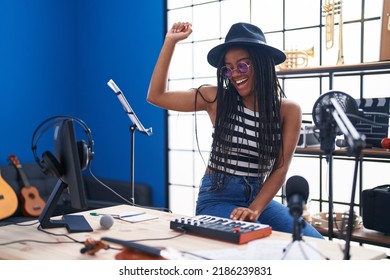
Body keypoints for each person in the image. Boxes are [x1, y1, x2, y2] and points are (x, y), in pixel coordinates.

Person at [147, 22, 323, 239]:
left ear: (262, 64)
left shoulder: (288, 110)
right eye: (228, 68)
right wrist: (170, 42)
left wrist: (255, 209)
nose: (234, 74)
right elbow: (156, 96)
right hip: (217, 199)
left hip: (259, 200)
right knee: (251, 242)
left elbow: (280, 168)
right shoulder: (217, 99)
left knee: (315, 242)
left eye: (242, 65)